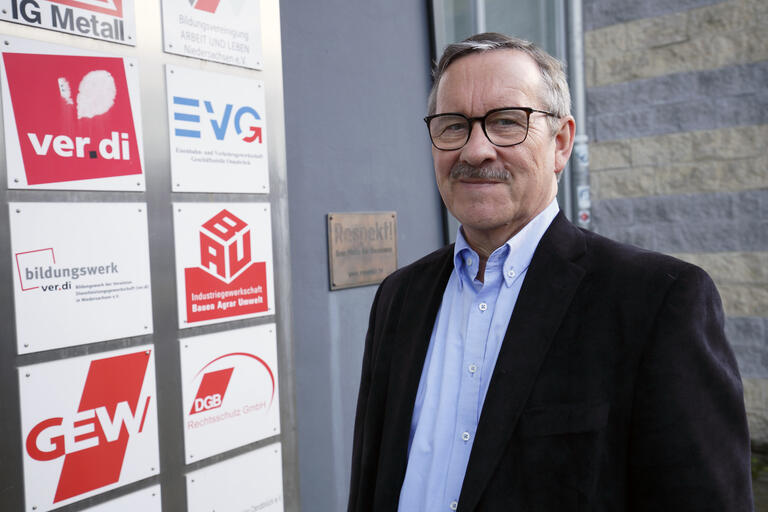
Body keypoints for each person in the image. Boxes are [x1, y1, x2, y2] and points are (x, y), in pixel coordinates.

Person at [347, 33, 754, 511]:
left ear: (560, 143)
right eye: (453, 125)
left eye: (505, 122)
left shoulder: (656, 302)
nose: (475, 151)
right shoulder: (399, 297)